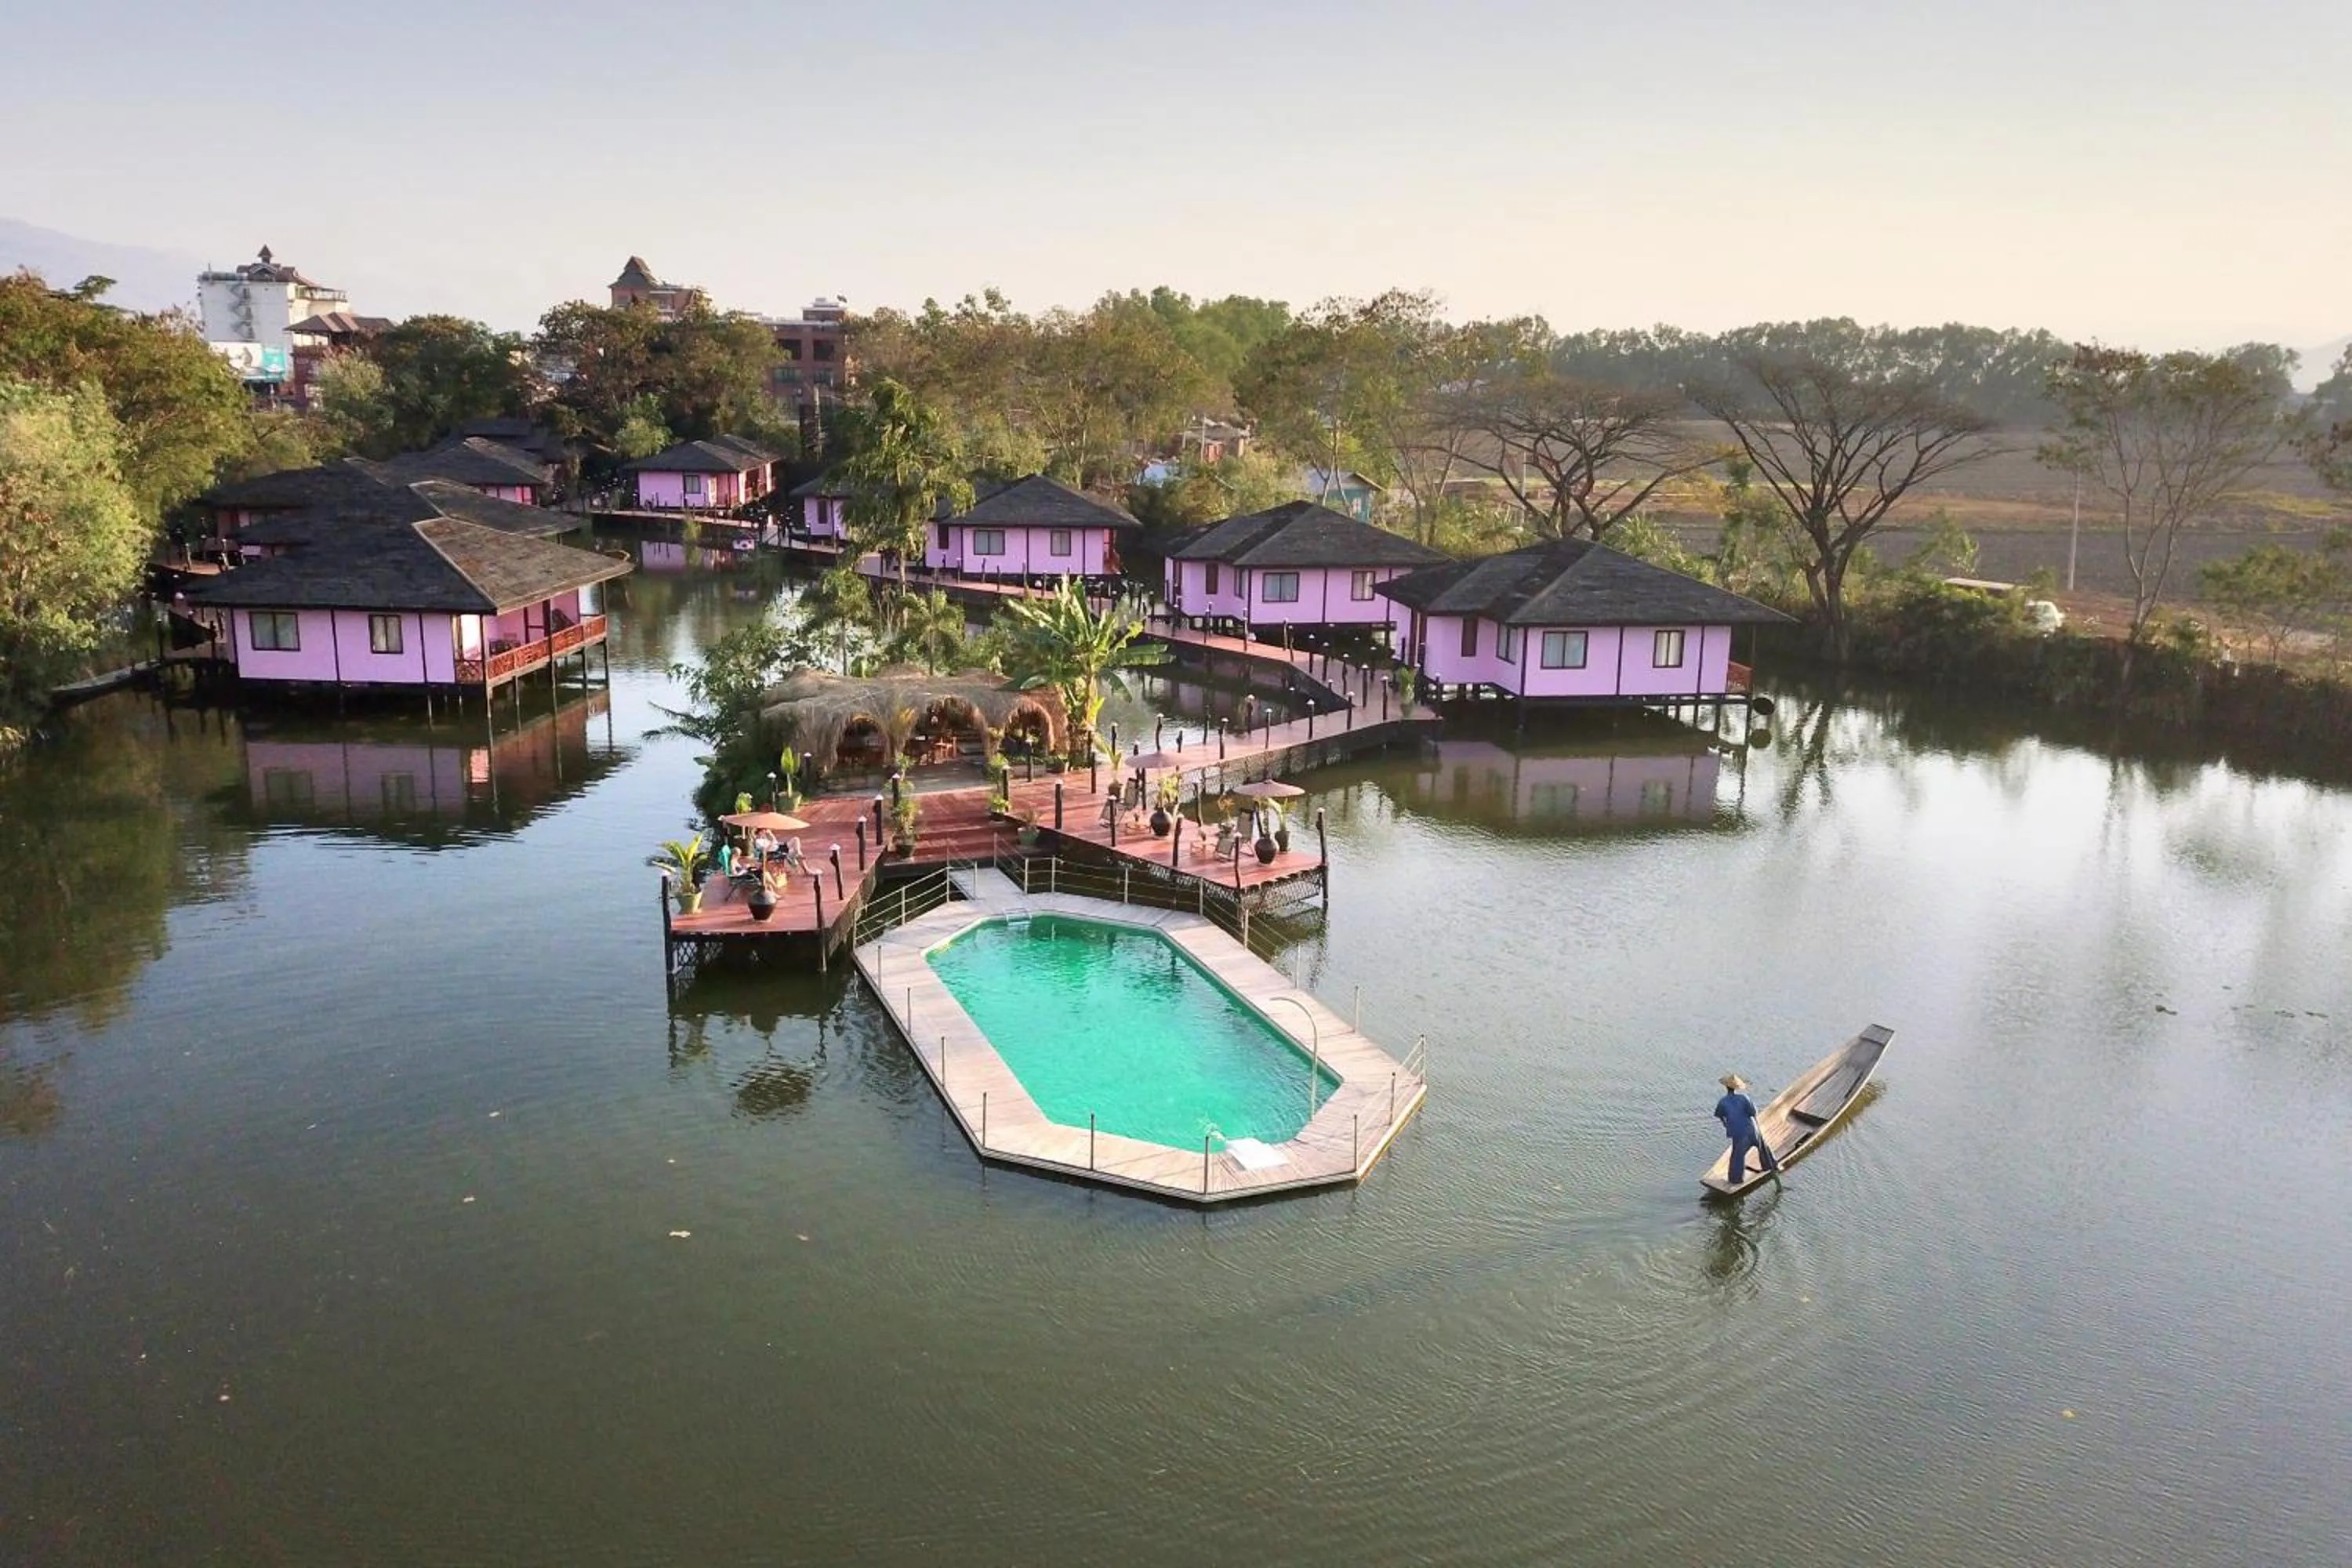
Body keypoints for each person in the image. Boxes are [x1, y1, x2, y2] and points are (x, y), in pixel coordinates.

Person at [1715, 1073, 1780, 1185]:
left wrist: (1725, 1124)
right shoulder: (1744, 1098)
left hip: (1738, 1133)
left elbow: (1720, 1115)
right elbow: (1753, 1112)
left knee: (1737, 1156)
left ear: (1726, 1087)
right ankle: (1771, 1165)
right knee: (1763, 1147)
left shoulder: (1723, 1102)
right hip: (1752, 1129)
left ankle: (1736, 1180)